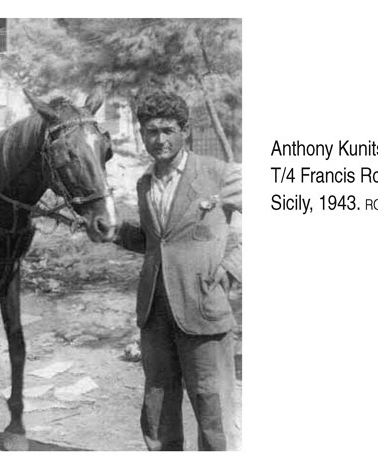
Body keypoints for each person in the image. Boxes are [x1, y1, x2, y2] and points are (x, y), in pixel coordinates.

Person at [113, 90, 242, 450]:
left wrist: (232, 269)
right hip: (155, 310)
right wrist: (114, 232)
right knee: (158, 405)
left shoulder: (217, 174)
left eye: (168, 130)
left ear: (184, 130)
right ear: (142, 134)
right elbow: (156, 243)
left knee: (211, 403)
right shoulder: (144, 184)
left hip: (203, 306)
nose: (160, 139)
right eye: (151, 131)